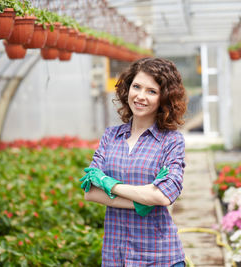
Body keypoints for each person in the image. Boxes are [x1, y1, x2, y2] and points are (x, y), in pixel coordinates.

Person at [80, 57, 188, 267]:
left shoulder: (171, 141)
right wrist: (143, 200)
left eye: (151, 91)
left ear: (164, 98)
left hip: (159, 257)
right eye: (136, 87)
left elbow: (164, 196)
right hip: (116, 255)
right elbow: (90, 192)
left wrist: (110, 184)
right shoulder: (111, 136)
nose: (140, 96)